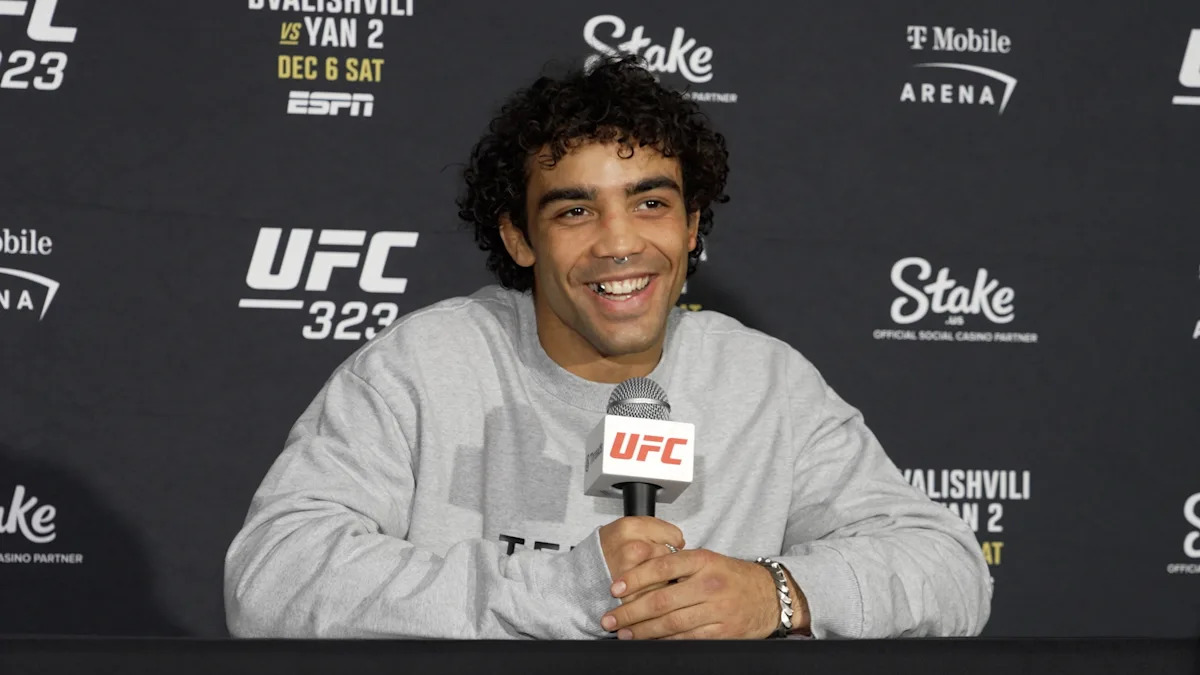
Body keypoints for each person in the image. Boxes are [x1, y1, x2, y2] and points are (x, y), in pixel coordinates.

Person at [223, 56, 992, 640]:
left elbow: (950, 567)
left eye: (651, 202)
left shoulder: (765, 382)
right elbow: (272, 576)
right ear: (518, 237)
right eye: (575, 211)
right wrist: (563, 589)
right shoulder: (424, 366)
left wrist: (778, 592)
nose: (620, 243)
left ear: (691, 227)